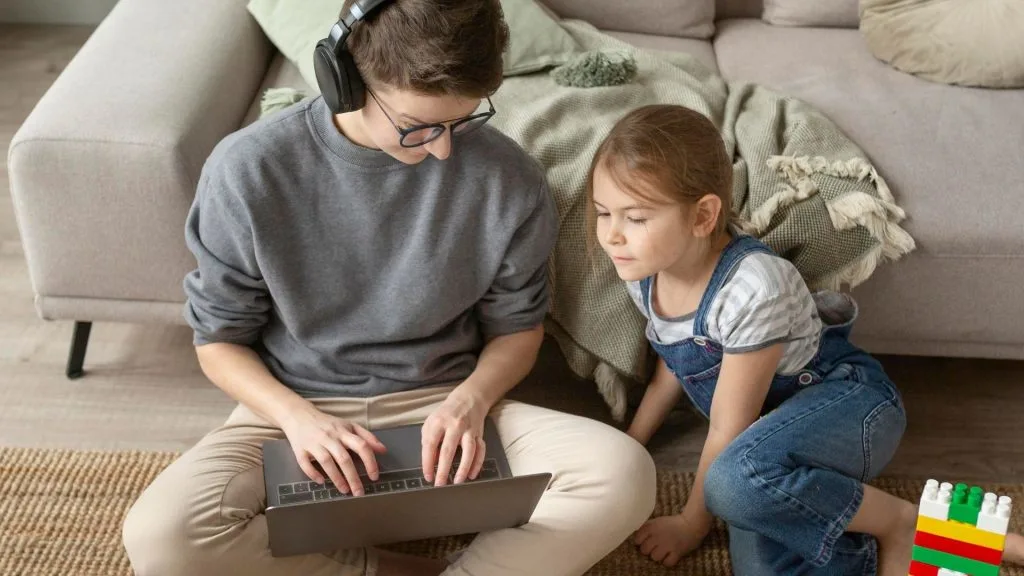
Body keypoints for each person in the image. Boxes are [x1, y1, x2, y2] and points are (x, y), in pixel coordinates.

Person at [121, 1, 655, 574]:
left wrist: (470, 401)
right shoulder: (248, 169)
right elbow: (218, 341)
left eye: (463, 120)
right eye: (417, 127)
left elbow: (517, 330)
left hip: (446, 401)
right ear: (346, 81)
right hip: (292, 408)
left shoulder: (510, 178)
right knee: (161, 537)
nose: (443, 149)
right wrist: (299, 419)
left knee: (624, 475)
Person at [585, 104, 1024, 575]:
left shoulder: (753, 290)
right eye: (603, 213)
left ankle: (900, 520)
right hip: (768, 445)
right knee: (762, 563)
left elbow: (729, 429)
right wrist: (630, 445)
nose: (612, 235)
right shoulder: (644, 270)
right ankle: (961, 542)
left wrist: (692, 523)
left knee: (730, 486)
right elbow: (674, 364)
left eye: (635, 217)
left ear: (703, 215)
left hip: (848, 408)